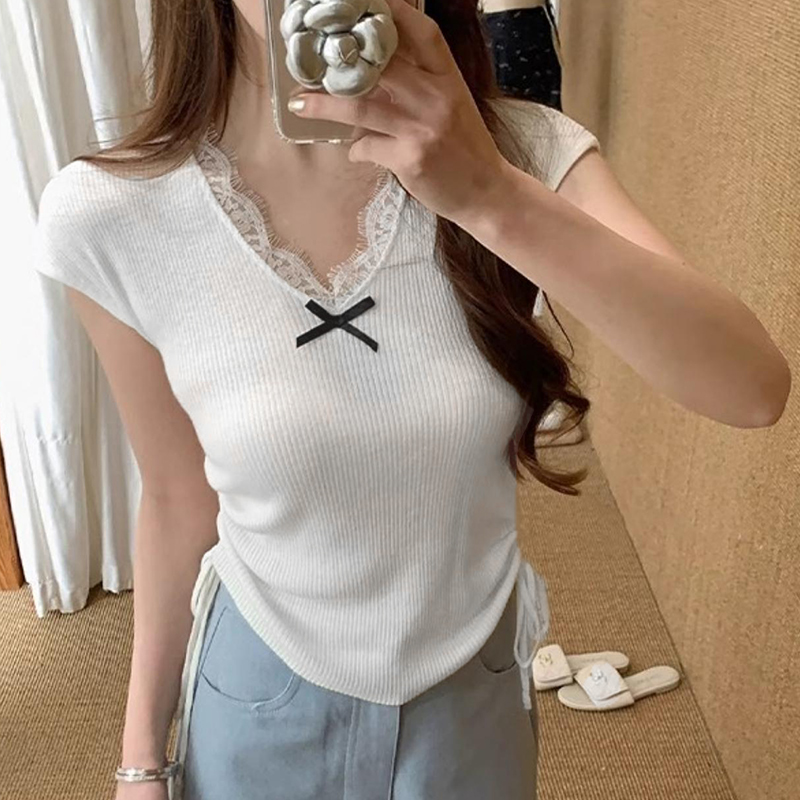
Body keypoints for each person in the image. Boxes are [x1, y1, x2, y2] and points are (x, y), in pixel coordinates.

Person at [32, 0, 790, 798]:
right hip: (259, 681)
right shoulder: (113, 213)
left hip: (471, 689)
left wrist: (490, 196)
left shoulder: (524, 153)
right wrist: (141, 759)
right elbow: (177, 494)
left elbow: (751, 389)